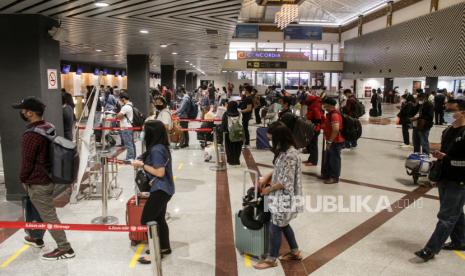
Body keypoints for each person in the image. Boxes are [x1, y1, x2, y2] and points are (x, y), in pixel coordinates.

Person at [12, 97, 75, 260]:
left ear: (30, 113)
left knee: (48, 215)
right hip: (48, 177)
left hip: (37, 181)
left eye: (23, 110)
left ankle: (65, 248)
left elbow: (27, 161)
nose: (21, 113)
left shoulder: (30, 135)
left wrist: (23, 179)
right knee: (39, 209)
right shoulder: (48, 127)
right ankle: (37, 237)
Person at [415, 99, 465, 262]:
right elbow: (446, 153)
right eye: (447, 109)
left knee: (446, 216)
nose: (448, 113)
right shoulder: (448, 130)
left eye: (452, 110)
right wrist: (440, 159)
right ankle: (460, 241)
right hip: (445, 177)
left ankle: (430, 249)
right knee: (455, 212)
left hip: (459, 180)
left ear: (463, 112)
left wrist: (448, 159)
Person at [253, 125, 303, 270]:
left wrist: (268, 189)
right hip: (277, 195)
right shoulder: (284, 150)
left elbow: (285, 182)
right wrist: (268, 176)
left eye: (271, 138)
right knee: (283, 224)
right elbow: (278, 169)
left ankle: (271, 259)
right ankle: (295, 252)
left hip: (284, 197)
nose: (270, 141)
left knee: (275, 226)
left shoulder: (291, 155)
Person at [131, 120, 175, 264]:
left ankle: (155, 252)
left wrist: (142, 165)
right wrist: (141, 159)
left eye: (145, 131)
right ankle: (164, 247)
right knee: (159, 218)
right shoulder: (160, 146)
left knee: (148, 219)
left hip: (160, 189)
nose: (143, 133)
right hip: (165, 188)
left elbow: (160, 172)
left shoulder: (157, 149)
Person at [321, 98, 345, 184]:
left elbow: (335, 129)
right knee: (329, 158)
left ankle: (334, 177)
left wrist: (330, 141)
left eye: (325, 104)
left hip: (336, 141)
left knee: (334, 159)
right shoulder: (330, 114)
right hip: (332, 140)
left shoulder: (334, 115)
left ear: (330, 105)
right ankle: (328, 174)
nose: (324, 106)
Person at [221, 101, 242, 166]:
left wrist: (223, 131)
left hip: (229, 133)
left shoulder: (226, 114)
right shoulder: (239, 113)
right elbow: (242, 122)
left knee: (229, 147)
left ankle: (230, 160)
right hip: (238, 132)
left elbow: (224, 124)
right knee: (238, 147)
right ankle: (236, 160)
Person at [304, 94, 323, 166]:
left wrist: (312, 124)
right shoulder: (312, 106)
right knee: (311, 144)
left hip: (315, 128)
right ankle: (310, 159)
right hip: (312, 127)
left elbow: (318, 119)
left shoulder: (315, 108)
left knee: (313, 145)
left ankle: (313, 161)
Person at [117, 92, 136, 160]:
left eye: (120, 99)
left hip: (126, 127)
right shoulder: (130, 105)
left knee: (128, 144)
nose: (119, 101)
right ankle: (132, 157)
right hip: (129, 126)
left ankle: (130, 158)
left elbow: (118, 116)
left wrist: (118, 114)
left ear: (123, 99)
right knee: (131, 143)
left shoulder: (125, 107)